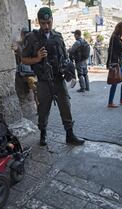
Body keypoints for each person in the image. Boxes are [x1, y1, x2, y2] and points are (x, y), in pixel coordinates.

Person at [21, 7, 85, 146]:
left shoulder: (58, 36)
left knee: (66, 106)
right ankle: (43, 133)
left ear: (52, 20)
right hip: (43, 81)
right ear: (38, 21)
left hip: (58, 79)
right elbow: (23, 59)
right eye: (43, 23)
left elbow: (66, 57)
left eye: (48, 23)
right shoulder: (32, 37)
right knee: (43, 109)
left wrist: (70, 72)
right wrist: (37, 58)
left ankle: (69, 134)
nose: (46, 26)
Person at [106, 22, 122, 108]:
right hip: (115, 63)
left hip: (117, 62)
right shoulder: (115, 38)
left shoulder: (115, 37)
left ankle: (121, 99)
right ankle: (111, 102)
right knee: (115, 82)